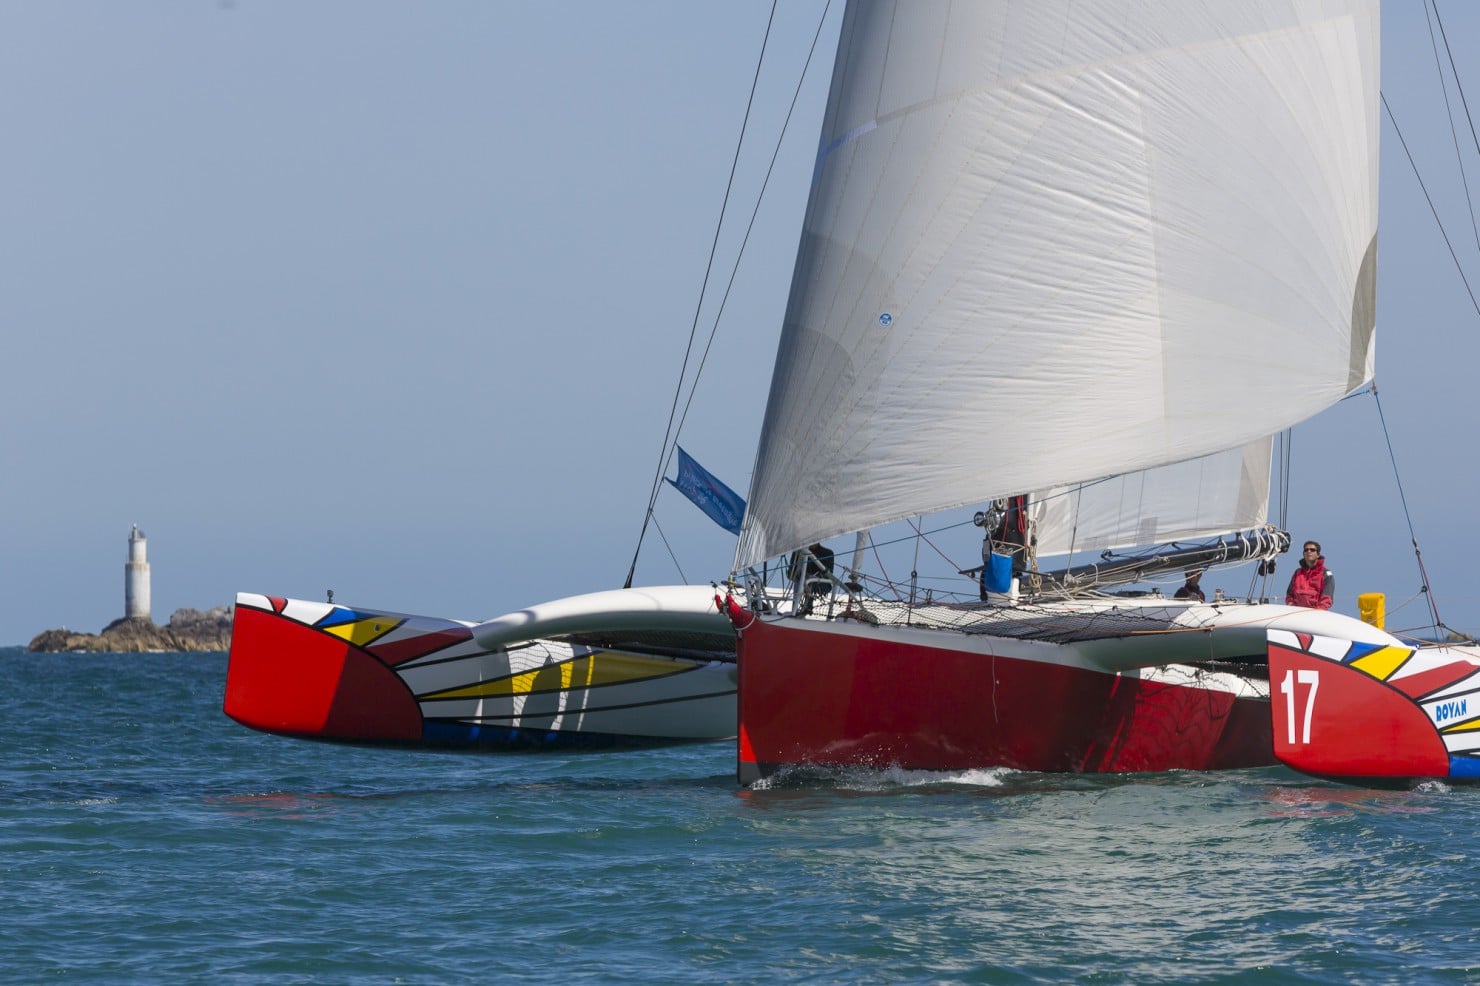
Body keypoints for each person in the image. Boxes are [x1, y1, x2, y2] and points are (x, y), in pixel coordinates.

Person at [1286, 540, 1334, 610]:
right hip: (1296, 613)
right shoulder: (1298, 573)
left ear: (1318, 554)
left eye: (1312, 550)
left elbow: (1327, 597)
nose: (1309, 551)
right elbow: (1289, 595)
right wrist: (1291, 606)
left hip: (1315, 614)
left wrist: (1319, 611)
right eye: (1306, 550)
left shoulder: (1326, 573)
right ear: (1303, 554)